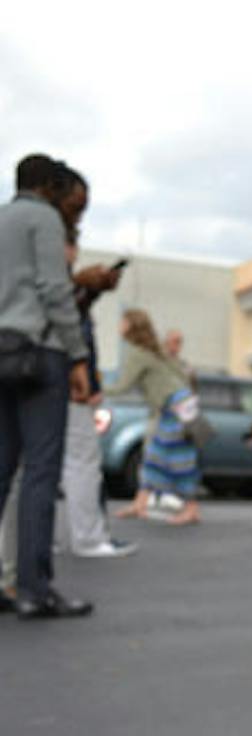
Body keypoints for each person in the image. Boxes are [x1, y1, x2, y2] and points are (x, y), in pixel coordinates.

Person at [0, 154, 93, 619]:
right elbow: (55, 292)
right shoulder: (44, 220)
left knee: (1, 469)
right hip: (39, 355)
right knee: (40, 471)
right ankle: (34, 588)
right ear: (51, 186)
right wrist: (78, 356)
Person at [61, 231, 135, 557]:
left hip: (51, 381)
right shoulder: (54, 283)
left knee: (39, 465)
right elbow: (66, 321)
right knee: (82, 461)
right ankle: (89, 538)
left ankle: (29, 542)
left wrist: (91, 290)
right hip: (65, 384)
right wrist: (83, 375)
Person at [111, 309, 201, 527]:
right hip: (182, 403)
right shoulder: (154, 350)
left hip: (175, 406)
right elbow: (182, 375)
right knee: (154, 454)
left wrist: (93, 390)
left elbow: (121, 386)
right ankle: (140, 503)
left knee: (179, 458)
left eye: (122, 322)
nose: (119, 325)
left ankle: (191, 509)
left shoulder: (139, 354)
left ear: (132, 326)